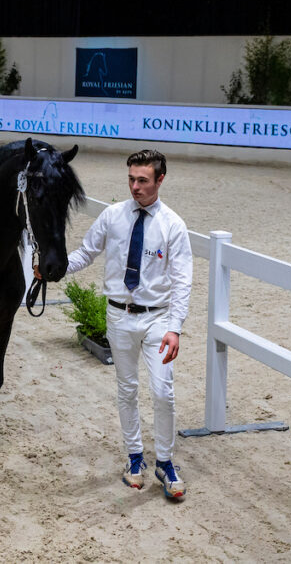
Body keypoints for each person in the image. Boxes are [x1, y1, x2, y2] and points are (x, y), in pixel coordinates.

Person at [48, 149, 193, 498]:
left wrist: (175, 327)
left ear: (160, 179)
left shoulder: (173, 224)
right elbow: (86, 252)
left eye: (143, 180)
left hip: (158, 318)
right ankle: (134, 458)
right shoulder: (112, 216)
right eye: (131, 179)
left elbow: (183, 280)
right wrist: (56, 269)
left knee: (163, 391)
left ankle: (165, 461)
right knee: (127, 389)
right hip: (118, 315)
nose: (135, 187)